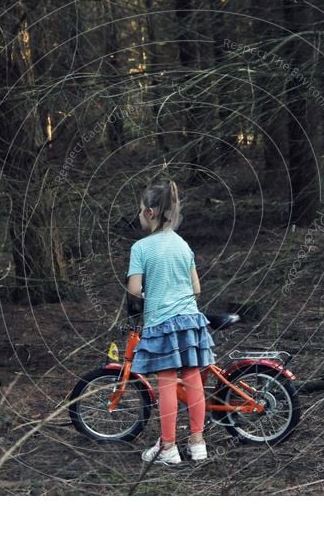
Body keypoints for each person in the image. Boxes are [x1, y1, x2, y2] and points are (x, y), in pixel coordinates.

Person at [126, 178, 214, 465]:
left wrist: (150, 291)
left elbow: (135, 290)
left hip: (161, 322)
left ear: (150, 212)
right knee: (193, 381)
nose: (139, 215)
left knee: (166, 384)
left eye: (140, 210)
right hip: (190, 320)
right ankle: (198, 443)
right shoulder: (183, 245)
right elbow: (197, 288)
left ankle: (168, 447)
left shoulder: (141, 248)